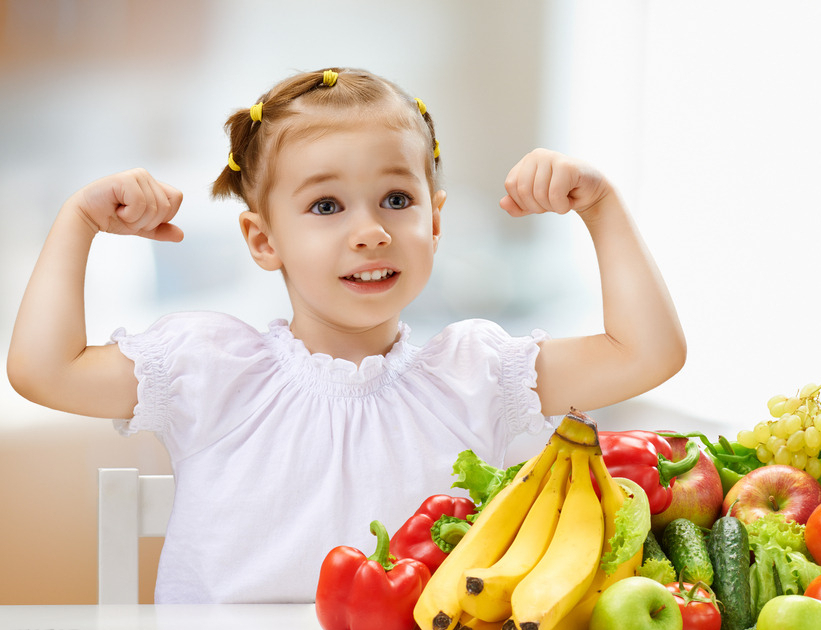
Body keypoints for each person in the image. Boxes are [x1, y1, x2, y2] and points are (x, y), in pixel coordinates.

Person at [7, 67, 685, 603]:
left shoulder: (477, 375)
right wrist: (79, 222)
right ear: (263, 239)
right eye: (326, 206)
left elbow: (647, 353)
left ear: (436, 221)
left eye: (397, 199)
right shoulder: (209, 368)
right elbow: (44, 369)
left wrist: (601, 206)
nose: (371, 230)